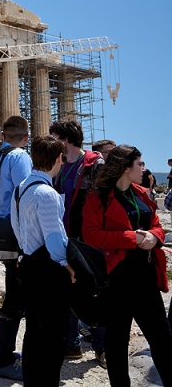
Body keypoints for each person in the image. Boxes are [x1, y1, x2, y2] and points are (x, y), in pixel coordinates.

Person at [82, 145, 172, 386]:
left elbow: (157, 226)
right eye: (139, 164)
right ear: (125, 168)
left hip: (145, 277)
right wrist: (132, 239)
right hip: (115, 280)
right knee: (117, 343)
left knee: (162, 339)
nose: (144, 168)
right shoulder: (97, 196)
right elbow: (90, 235)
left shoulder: (142, 193)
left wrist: (154, 237)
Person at [11, 135, 76, 386]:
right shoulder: (47, 193)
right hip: (48, 270)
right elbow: (55, 238)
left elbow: (16, 227)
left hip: (28, 264)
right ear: (58, 159)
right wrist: (67, 265)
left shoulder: (21, 188)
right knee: (54, 336)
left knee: (34, 333)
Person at [49, 118, 106, 364]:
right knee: (67, 290)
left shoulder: (95, 164)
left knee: (94, 292)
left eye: (53, 137)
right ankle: (71, 344)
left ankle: (103, 347)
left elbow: (104, 201)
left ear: (64, 139)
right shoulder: (59, 164)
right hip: (66, 236)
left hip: (88, 239)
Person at [0, 115, 32, 381]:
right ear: (27, 137)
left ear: (1, 136)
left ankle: (1, 351)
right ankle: (3, 357)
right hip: (16, 235)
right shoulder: (20, 158)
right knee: (17, 297)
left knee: (14, 292)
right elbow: (26, 195)